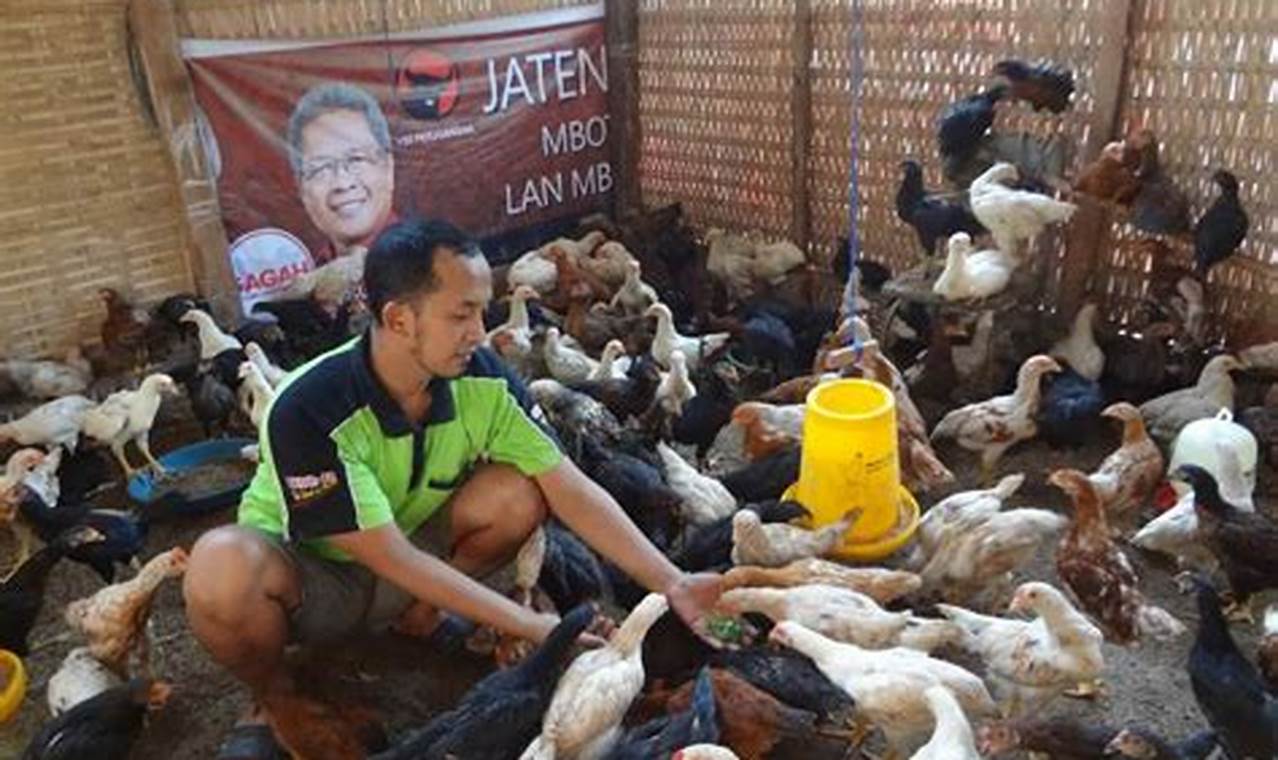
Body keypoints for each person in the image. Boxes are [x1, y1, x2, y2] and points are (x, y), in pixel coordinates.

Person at [184, 218, 724, 758]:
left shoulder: (483, 378)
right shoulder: (308, 407)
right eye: (461, 315)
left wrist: (672, 582)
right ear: (398, 318)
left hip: (411, 554)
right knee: (219, 567)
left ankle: (423, 614)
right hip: (320, 578)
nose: (479, 331)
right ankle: (274, 697)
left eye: (482, 312)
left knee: (521, 490)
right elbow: (388, 555)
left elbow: (570, 487)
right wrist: (536, 628)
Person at [286, 82, 398, 265]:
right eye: (321, 168)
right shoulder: (311, 279)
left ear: (388, 168)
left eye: (356, 159)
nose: (343, 183)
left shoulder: (431, 263)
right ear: (302, 190)